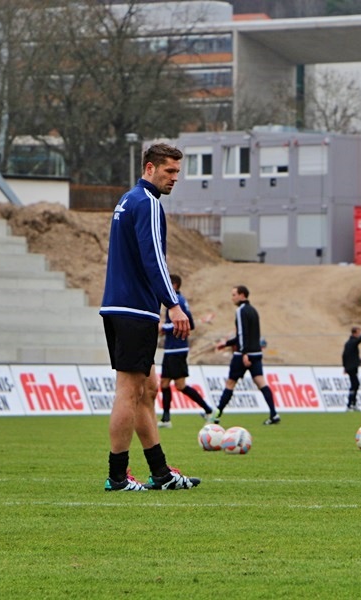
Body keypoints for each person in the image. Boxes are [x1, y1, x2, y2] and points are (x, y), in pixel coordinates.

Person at [99, 142, 200, 491]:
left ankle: (160, 473)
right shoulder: (148, 203)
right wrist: (172, 303)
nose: (174, 178)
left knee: (149, 388)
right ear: (149, 168)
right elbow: (153, 258)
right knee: (129, 391)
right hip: (134, 309)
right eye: (169, 171)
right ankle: (117, 476)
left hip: (119, 306)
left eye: (177, 172)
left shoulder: (127, 200)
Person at [212, 285, 280, 425]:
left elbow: (242, 334)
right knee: (261, 382)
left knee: (230, 383)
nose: (232, 298)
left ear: (242, 295)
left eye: (234, 295)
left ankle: (216, 415)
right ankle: (274, 414)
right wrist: (225, 344)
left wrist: (244, 353)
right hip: (256, 353)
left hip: (243, 354)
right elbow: (249, 335)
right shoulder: (253, 310)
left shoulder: (241, 311)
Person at [157, 274, 215, 427]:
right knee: (164, 383)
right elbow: (189, 324)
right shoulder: (177, 301)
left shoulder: (177, 301)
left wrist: (163, 327)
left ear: (174, 285)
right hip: (171, 349)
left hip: (177, 349)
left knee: (180, 385)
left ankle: (209, 410)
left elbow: (186, 324)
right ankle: (166, 419)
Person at [342, 326, 361, 411]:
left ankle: (353, 403)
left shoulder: (348, 343)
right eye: (358, 333)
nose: (359, 334)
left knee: (355, 385)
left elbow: (344, 355)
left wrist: (345, 366)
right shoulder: (352, 342)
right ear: (355, 333)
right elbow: (359, 340)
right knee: (355, 384)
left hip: (350, 367)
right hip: (352, 367)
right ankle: (350, 404)